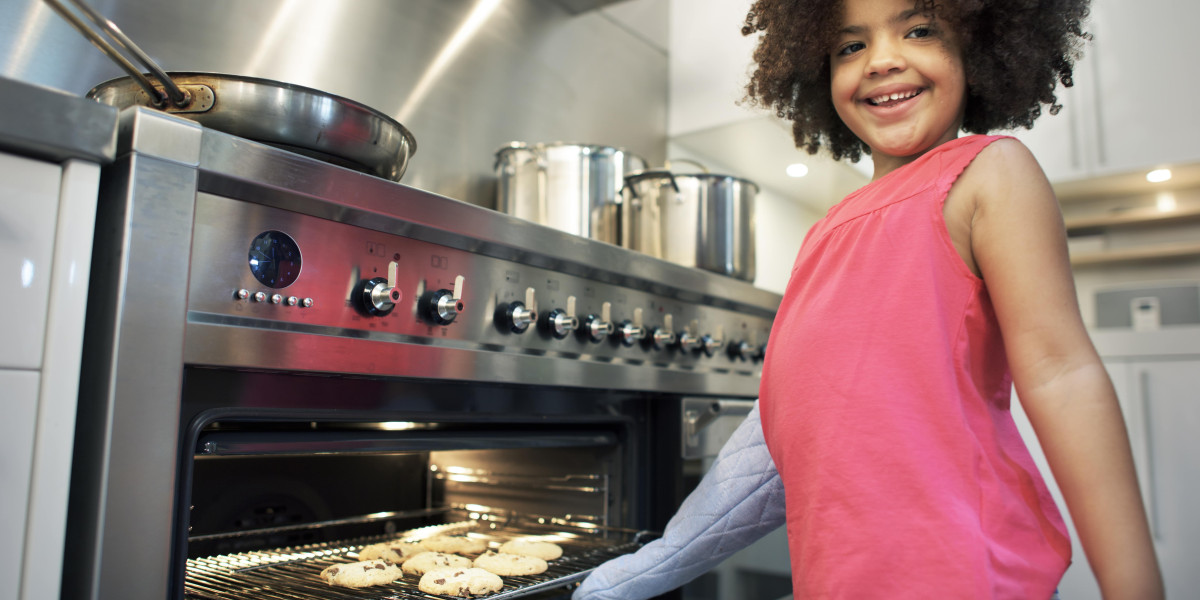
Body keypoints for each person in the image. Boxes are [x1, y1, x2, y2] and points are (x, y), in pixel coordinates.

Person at [573, 0, 1165, 598]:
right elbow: (780, 429)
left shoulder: (988, 174)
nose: (881, 60)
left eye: (920, 30)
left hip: (962, 572)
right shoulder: (826, 231)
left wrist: (1134, 586)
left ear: (978, 48)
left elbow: (1062, 374)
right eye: (850, 46)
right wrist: (658, 563)